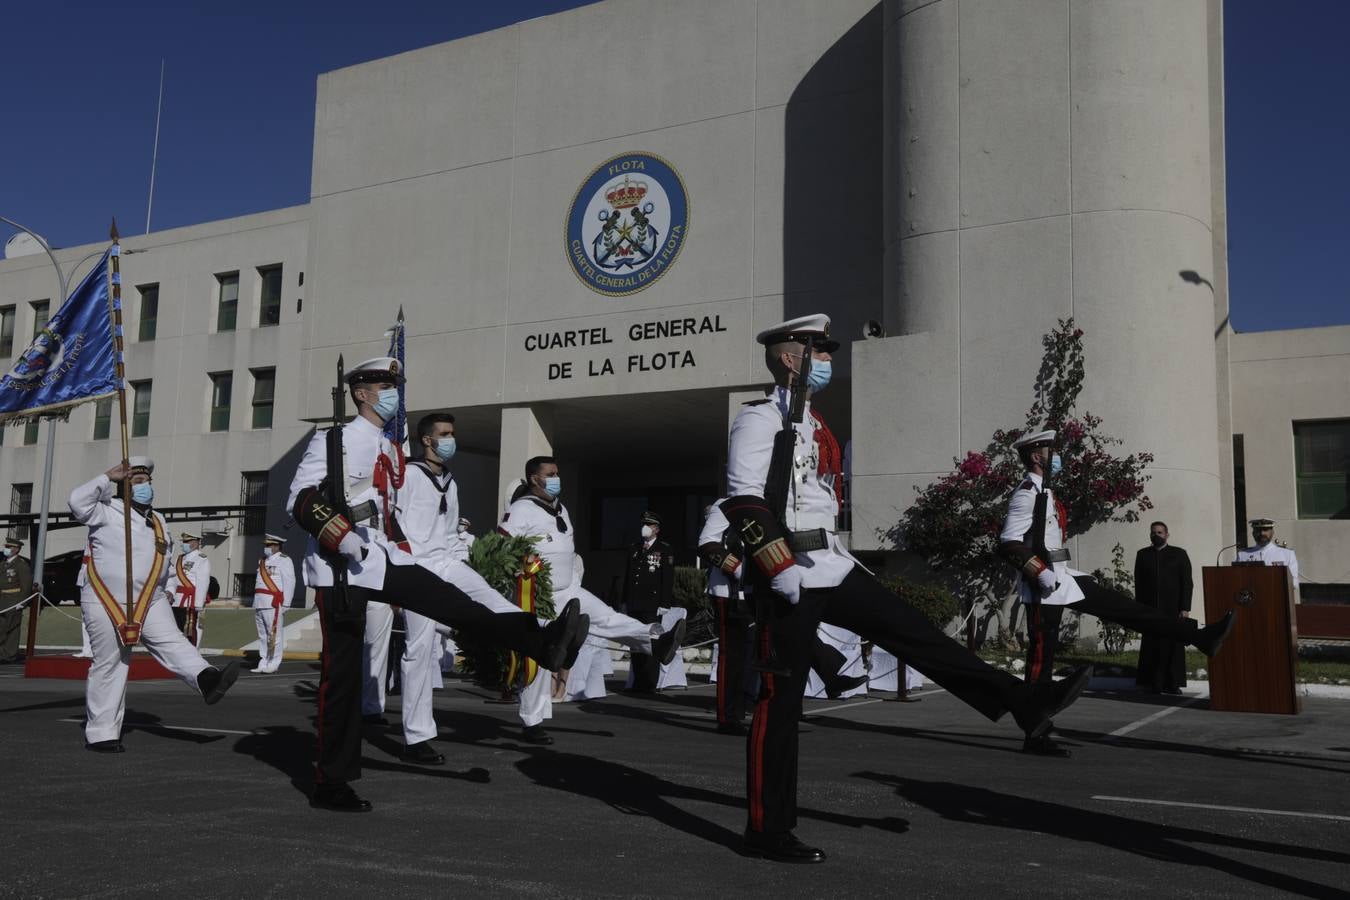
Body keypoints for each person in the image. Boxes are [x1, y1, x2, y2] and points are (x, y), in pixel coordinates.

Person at [721, 314, 1093, 864]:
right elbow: (744, 499)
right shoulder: (759, 420)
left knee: (915, 632)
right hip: (789, 576)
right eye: (818, 351)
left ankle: (1022, 702)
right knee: (781, 703)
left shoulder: (812, 423)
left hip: (830, 562)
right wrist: (778, 569)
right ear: (789, 358)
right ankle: (767, 828)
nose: (827, 359)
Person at [286, 357, 585, 812]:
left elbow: (388, 513)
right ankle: (332, 783)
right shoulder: (334, 441)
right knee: (342, 680)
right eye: (384, 386)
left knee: (453, 602)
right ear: (361, 393)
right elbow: (300, 500)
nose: (391, 393)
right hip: (340, 570)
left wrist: (391, 547)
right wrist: (345, 541)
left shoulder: (388, 449)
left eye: (395, 386)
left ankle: (542, 644)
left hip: (382, 558)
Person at [998, 428, 1235, 753]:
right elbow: (1008, 543)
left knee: (1126, 609)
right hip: (1043, 587)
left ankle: (1199, 637)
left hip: (1062, 578)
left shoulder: (1046, 492)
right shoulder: (1027, 492)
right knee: (1042, 658)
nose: (1057, 457)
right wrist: (1038, 573)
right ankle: (1035, 731)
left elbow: (1049, 542)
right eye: (1051, 451)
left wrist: (1064, 571)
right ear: (1036, 455)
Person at [500, 457, 686, 743]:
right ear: (534, 479)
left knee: (608, 617)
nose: (556, 478)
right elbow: (502, 548)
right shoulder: (522, 509)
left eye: (557, 473)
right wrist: (525, 571)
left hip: (568, 588)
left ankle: (655, 642)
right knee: (540, 656)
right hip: (540, 594)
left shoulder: (560, 507)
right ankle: (532, 721)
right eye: (550, 474)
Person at [69, 457, 240, 752]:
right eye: (136, 482)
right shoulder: (106, 510)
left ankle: (206, 679)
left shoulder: (158, 520)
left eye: (147, 481)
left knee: (172, 640)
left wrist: (171, 587)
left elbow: (165, 562)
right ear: (123, 487)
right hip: (104, 597)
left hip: (150, 596)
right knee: (111, 662)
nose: (145, 486)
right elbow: (76, 501)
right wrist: (107, 477)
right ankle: (101, 733)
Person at [1133, 522, 1192, 695]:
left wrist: (1185, 607)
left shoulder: (1179, 554)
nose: (1156, 535)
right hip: (1150, 609)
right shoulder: (1143, 555)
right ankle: (1155, 683)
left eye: (1159, 532)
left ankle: (1173, 683)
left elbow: (1187, 583)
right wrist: (1140, 608)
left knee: (1173, 646)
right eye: (1153, 532)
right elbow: (1139, 583)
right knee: (1153, 646)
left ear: (1167, 535)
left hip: (1173, 609)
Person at [621, 511, 675, 692]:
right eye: (643, 524)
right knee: (636, 643)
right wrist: (623, 601)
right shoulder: (634, 548)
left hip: (652, 605)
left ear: (657, 529)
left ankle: (649, 683)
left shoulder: (664, 549)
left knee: (651, 643)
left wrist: (665, 603)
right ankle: (638, 681)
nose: (645, 527)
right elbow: (627, 577)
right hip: (634, 603)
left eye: (649, 525)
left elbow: (667, 578)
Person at [252, 534, 295, 674]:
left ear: (277, 546)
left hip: (273, 602)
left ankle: (274, 662)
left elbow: (289, 581)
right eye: (266, 545)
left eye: (269, 545)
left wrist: (287, 603)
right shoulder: (262, 561)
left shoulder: (284, 560)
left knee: (274, 634)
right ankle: (263, 660)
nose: (266, 548)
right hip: (259, 601)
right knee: (263, 634)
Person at [1236, 517, 1300, 600]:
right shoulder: (1243, 555)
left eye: (1265, 529)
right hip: (1251, 602)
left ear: (1272, 532)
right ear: (1253, 533)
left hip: (1276, 600)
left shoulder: (1287, 554)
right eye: (1258, 530)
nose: (1262, 533)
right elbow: (1237, 581)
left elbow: (1294, 583)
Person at [165, 531, 210, 647]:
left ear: (195, 543)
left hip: (191, 602)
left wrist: (199, 604)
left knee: (191, 632)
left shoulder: (202, 559)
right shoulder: (179, 559)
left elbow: (203, 582)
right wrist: (170, 591)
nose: (183, 544)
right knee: (177, 631)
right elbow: (173, 578)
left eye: (186, 542)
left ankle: (193, 654)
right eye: (183, 542)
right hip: (177, 601)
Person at [0, 537, 33, 663]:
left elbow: (26, 586)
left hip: (13, 600)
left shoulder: (21, 565)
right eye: (6, 547)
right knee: (3, 627)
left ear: (17, 549)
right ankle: (4, 653)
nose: (6, 549)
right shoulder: (3, 564)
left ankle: (8, 654)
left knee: (12, 628)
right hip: (2, 600)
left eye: (9, 547)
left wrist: (22, 602)